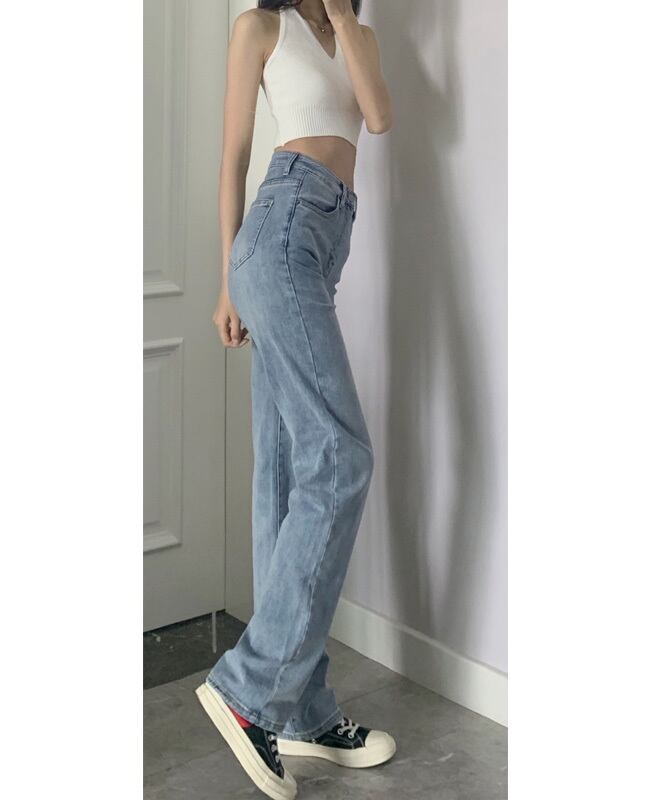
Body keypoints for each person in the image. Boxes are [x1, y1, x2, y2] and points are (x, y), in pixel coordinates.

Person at [194, 1, 393, 797]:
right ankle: (250, 686)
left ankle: (302, 710)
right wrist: (225, 282)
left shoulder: (358, 34)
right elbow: (233, 155)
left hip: (321, 245)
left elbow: (378, 116)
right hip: (277, 231)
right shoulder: (259, 26)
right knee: (340, 458)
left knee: (284, 477)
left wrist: (343, 17)